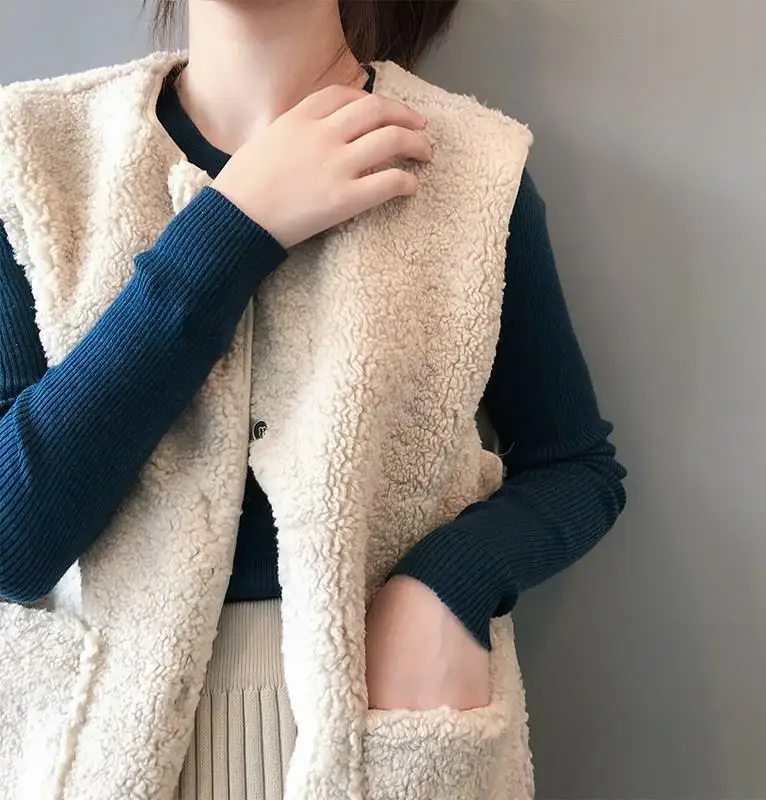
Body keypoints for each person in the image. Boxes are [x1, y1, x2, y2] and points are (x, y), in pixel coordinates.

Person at [0, 1, 626, 798]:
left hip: (380, 731)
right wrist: (235, 223)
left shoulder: (472, 167)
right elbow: (12, 548)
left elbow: (577, 468)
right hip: (100, 748)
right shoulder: (34, 151)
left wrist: (447, 586)